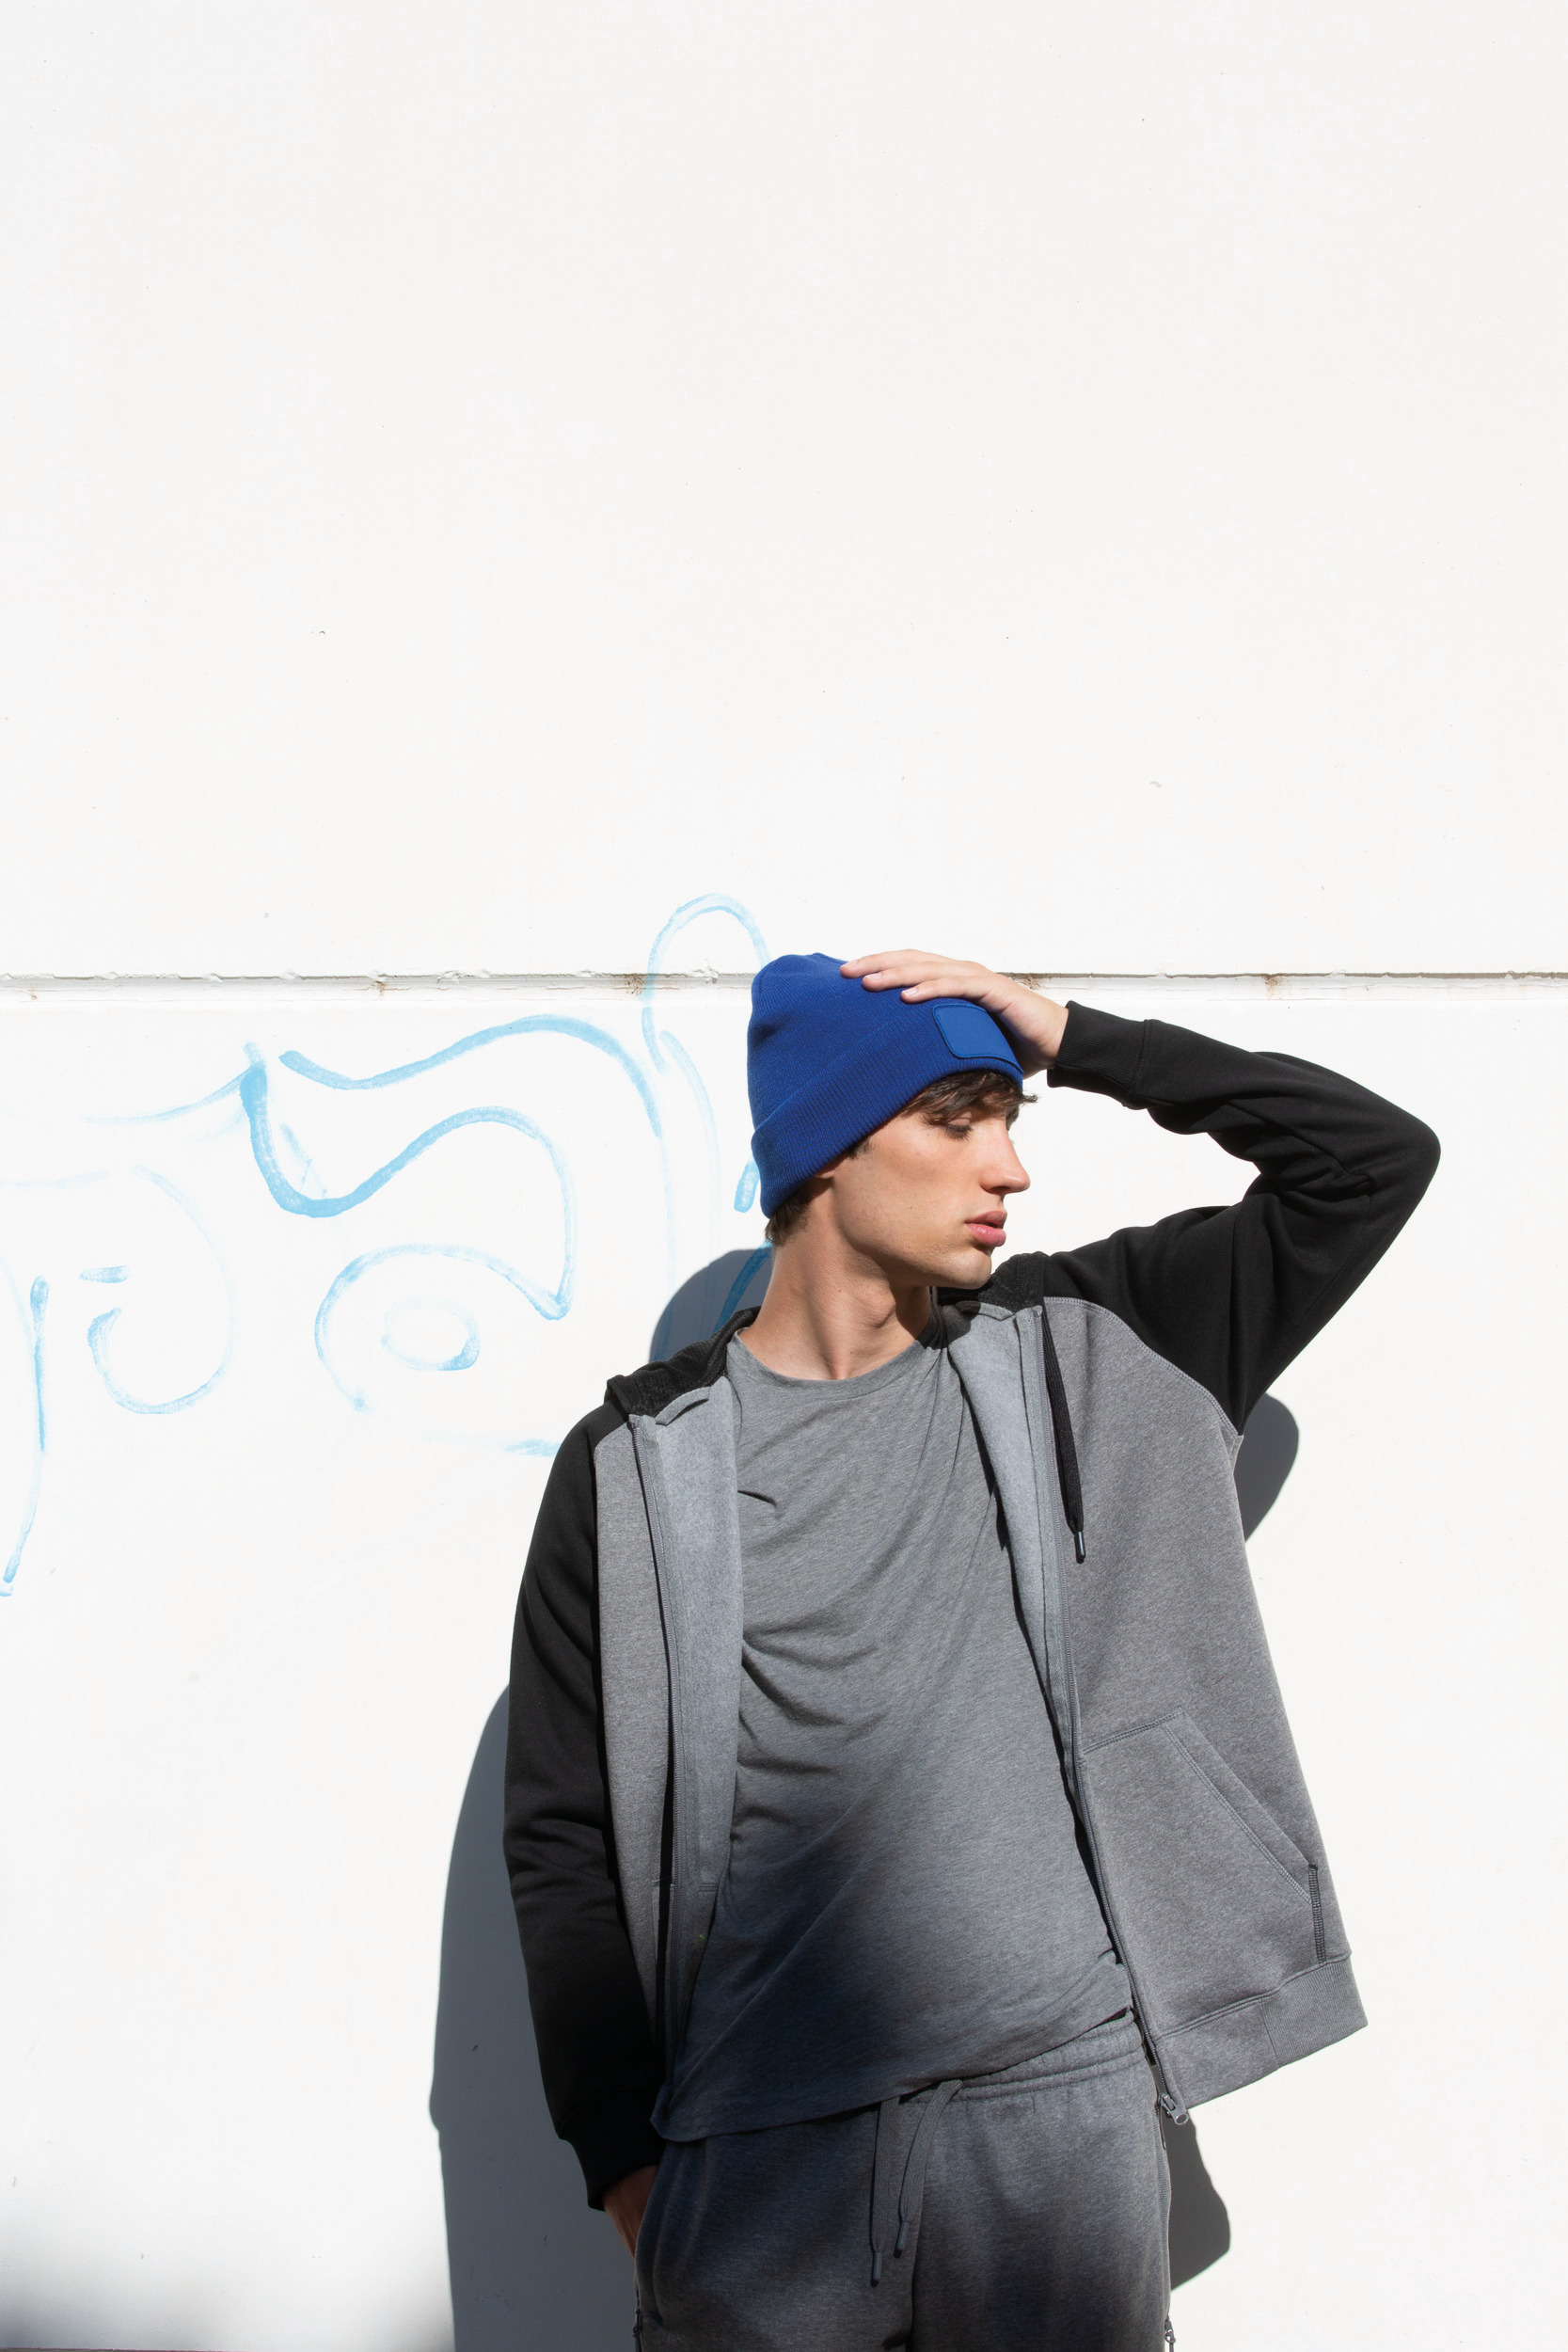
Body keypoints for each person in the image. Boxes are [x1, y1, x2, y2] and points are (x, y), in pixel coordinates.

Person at [504, 949, 1438, 2350]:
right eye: (955, 1121)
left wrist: (1072, 1035)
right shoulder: (634, 1466)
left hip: (1052, 2133)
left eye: (1012, 1118)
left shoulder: (1097, 1343)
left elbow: (1369, 1162)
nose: (1007, 1167)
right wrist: (630, 2171)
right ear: (824, 1149)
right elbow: (564, 1833)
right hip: (754, 2166)